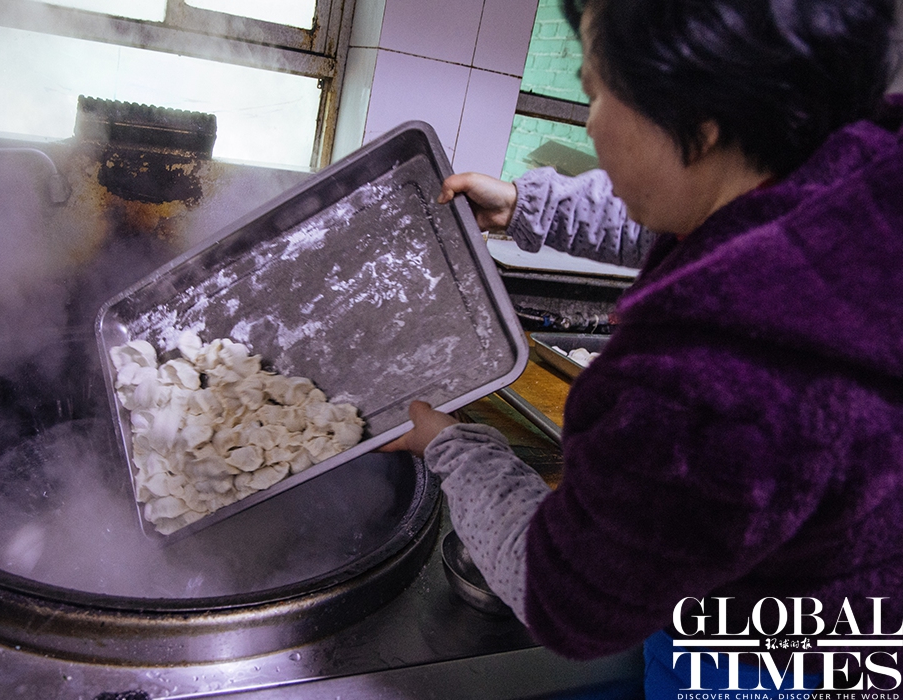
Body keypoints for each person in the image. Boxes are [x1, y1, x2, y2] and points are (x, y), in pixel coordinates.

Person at [383, 0, 903, 695]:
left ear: (702, 123)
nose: (589, 123)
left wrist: (449, 444)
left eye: (596, 93)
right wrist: (527, 206)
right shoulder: (858, 176)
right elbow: (710, 208)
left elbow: (566, 593)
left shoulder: (706, 379)